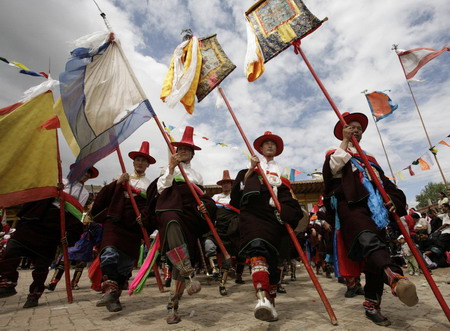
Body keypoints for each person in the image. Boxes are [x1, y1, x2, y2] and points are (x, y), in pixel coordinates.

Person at [322, 112, 418, 326]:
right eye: (351, 127)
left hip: (377, 212)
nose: (356, 130)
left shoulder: (371, 158)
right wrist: (345, 143)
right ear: (343, 131)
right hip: (352, 206)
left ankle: (372, 304)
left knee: (376, 256)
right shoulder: (335, 152)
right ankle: (395, 277)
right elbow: (333, 171)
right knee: (367, 240)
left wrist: (394, 201)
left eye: (359, 128)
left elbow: (388, 185)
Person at [146, 126, 216, 324]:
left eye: (187, 149)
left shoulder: (197, 175)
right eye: (180, 149)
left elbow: (202, 197)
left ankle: (172, 307)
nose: (183, 151)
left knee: (179, 261)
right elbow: (161, 189)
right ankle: (188, 273)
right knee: (171, 219)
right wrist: (170, 168)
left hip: (190, 216)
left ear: (192, 154)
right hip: (171, 208)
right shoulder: (167, 170)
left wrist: (204, 207)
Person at [230, 131, 303, 322]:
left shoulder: (283, 173)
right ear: (260, 149)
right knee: (257, 247)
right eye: (266, 144)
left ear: (277, 149)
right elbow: (236, 197)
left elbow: (290, 200)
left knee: (274, 262)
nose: (270, 146)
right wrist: (249, 172)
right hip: (255, 215)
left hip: (276, 219)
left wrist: (283, 209)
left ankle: (270, 302)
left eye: (273, 144)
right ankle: (261, 297)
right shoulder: (252, 169)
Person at [0, 165, 96, 308]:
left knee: (42, 263)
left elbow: (77, 214)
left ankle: (35, 294)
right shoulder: (56, 180)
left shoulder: (84, 194)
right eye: (84, 171)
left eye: (89, 173)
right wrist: (54, 189)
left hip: (55, 226)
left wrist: (71, 234)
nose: (86, 175)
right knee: (13, 247)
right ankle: (8, 281)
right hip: (36, 219)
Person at [91, 141, 154, 312]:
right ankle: (109, 289)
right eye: (138, 160)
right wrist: (117, 183)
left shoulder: (150, 185)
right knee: (109, 254)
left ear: (148, 165)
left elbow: (151, 207)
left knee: (125, 265)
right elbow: (102, 201)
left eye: (144, 161)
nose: (140, 163)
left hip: (134, 227)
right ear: (133, 163)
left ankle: (114, 298)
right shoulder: (122, 178)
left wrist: (145, 218)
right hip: (115, 221)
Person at [204, 170, 245, 296]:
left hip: (232, 230)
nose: (226, 185)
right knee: (208, 244)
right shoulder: (216, 197)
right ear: (221, 185)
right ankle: (214, 269)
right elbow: (209, 209)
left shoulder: (236, 197)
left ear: (232, 184)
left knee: (228, 259)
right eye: (224, 183)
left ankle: (222, 285)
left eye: (228, 183)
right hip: (218, 228)